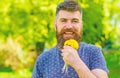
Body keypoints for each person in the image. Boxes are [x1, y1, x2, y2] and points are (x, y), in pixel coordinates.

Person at [32, 0, 109, 78]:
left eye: (74, 21)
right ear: (55, 25)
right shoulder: (43, 59)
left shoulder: (93, 52)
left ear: (81, 25)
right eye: (63, 21)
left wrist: (77, 63)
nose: (69, 26)